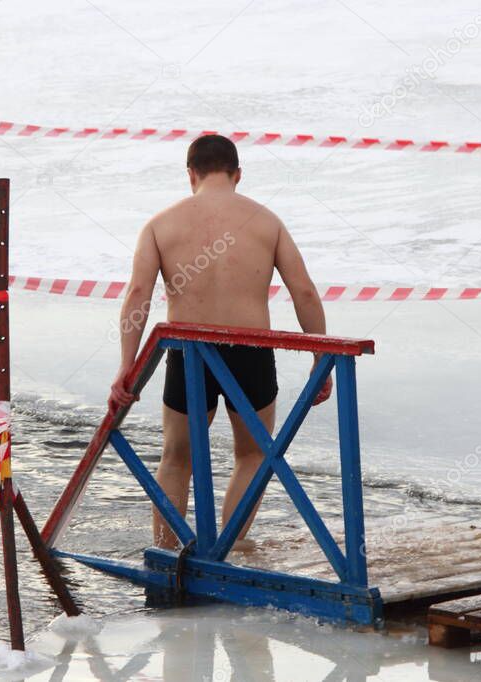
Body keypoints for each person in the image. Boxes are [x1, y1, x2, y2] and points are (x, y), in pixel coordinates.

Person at [108, 134, 332, 550]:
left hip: (187, 353)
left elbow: (137, 295)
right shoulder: (266, 221)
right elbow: (304, 292)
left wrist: (127, 365)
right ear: (237, 174)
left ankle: (166, 553)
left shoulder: (160, 224)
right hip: (250, 352)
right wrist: (321, 355)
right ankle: (227, 551)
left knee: (177, 458)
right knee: (252, 455)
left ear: (191, 174)